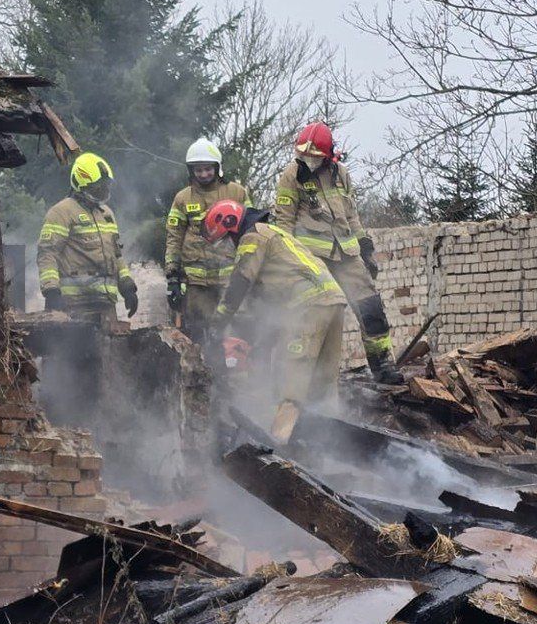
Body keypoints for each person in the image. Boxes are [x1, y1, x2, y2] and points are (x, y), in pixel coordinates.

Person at [205, 198, 349, 444]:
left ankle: (279, 450)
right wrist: (261, 342)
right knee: (323, 384)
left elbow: (240, 282)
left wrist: (217, 325)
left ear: (231, 225)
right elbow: (267, 305)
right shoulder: (274, 235)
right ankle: (328, 446)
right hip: (333, 302)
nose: (229, 247)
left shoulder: (252, 237)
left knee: (290, 383)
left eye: (226, 239)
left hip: (307, 307)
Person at [273, 122, 402, 385]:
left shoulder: (341, 173)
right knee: (316, 315)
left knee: (371, 308)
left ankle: (383, 365)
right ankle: (306, 377)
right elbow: (283, 224)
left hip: (346, 255)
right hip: (312, 260)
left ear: (328, 155)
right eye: (304, 155)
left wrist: (365, 247)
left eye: (314, 156)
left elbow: (351, 215)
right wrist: (290, 263)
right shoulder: (291, 175)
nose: (308, 160)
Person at [163, 137, 249, 348]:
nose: (203, 174)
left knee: (238, 327)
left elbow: (251, 230)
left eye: (207, 169)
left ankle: (238, 373)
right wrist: (173, 276)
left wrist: (251, 268)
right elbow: (174, 237)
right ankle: (206, 374)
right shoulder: (183, 198)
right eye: (198, 170)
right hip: (197, 283)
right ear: (191, 171)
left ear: (217, 167)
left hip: (231, 277)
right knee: (201, 331)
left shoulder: (237, 192)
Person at [37, 151, 139, 325]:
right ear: (80, 185)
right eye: (97, 187)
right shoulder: (61, 212)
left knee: (110, 351)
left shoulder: (107, 213)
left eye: (106, 185)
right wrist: (52, 290)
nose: (103, 191)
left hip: (105, 303)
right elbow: (48, 254)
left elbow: (116, 255)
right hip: (74, 304)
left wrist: (127, 287)